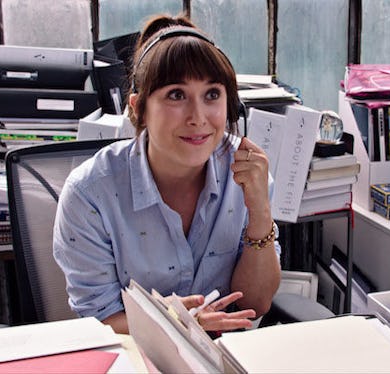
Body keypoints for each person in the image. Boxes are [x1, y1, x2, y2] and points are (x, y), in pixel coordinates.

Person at [52, 13, 281, 335]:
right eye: (176, 95)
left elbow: (255, 305)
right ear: (138, 108)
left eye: (212, 94)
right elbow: (100, 322)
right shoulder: (90, 193)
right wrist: (178, 324)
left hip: (227, 352)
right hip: (141, 355)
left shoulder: (245, 175)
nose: (198, 117)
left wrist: (259, 211)